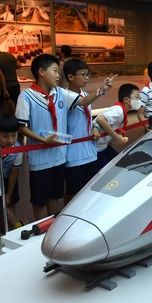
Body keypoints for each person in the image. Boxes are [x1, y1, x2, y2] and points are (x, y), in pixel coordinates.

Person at [15, 53, 113, 220]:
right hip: (39, 159)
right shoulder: (26, 97)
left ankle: (52, 226)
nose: (58, 75)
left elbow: (83, 102)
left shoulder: (60, 93)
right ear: (41, 72)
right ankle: (41, 230)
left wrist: (101, 90)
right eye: (55, 71)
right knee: (39, 200)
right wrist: (42, 140)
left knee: (55, 196)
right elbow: (20, 126)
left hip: (59, 157)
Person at [62, 58, 105, 205]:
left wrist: (95, 128)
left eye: (88, 74)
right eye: (83, 74)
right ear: (70, 77)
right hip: (74, 154)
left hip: (90, 152)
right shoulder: (64, 95)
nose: (87, 78)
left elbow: (89, 119)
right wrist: (102, 90)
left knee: (88, 190)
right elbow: (82, 103)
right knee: (73, 192)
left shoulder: (86, 95)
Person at [92, 83, 140, 170]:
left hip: (103, 146)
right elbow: (100, 120)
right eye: (137, 97)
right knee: (106, 172)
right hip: (96, 149)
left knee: (118, 164)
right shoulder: (118, 111)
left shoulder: (120, 110)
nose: (139, 100)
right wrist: (116, 137)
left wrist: (111, 137)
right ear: (126, 99)